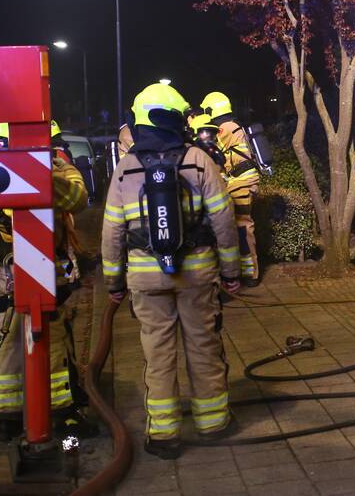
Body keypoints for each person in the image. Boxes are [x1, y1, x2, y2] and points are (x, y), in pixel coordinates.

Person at [102, 83, 241, 459]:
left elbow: (112, 230)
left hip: (145, 279)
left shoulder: (125, 168)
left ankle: (164, 435)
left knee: (157, 352)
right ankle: (213, 423)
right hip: (197, 275)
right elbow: (224, 221)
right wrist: (231, 272)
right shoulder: (199, 160)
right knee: (203, 345)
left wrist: (113, 281)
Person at [0, 120, 93, 441]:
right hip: (37, 270)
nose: (57, 148)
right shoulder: (46, 168)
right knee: (51, 339)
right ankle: (61, 413)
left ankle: (7, 416)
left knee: (4, 339)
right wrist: (49, 169)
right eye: (52, 142)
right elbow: (77, 197)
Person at [199, 91, 261, 287]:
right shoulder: (233, 125)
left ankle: (251, 274)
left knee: (243, 228)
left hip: (242, 184)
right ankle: (242, 271)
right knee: (237, 227)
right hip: (240, 182)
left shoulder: (224, 128)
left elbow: (207, 146)